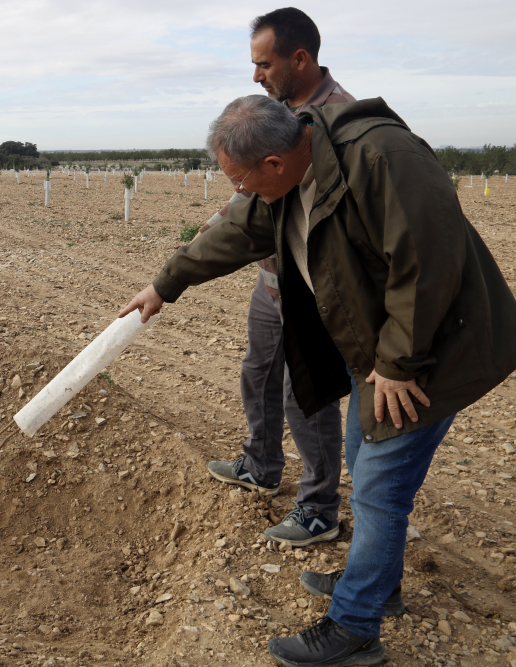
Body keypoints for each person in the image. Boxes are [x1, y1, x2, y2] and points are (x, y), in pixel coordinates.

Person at [120, 95, 516, 667]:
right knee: (367, 470)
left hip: (428, 355)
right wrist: (166, 284)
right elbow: (238, 230)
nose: (239, 190)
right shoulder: (288, 183)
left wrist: (396, 364)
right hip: (378, 358)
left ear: (274, 164)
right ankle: (378, 586)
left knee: (380, 489)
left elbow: (429, 264)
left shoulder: (382, 158)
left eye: (242, 179)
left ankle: (355, 627)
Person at [202, 7, 355, 548]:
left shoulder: (339, 124)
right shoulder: (276, 114)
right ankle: (261, 463)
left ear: (300, 58)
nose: (256, 75)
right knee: (258, 373)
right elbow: (252, 197)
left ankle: (318, 508)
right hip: (270, 281)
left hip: (311, 290)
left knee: (304, 396)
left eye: (264, 64)